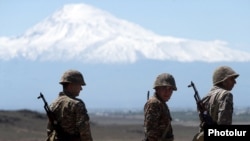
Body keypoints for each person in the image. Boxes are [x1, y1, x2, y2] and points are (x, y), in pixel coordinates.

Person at [193, 65, 239, 141]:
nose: (235, 82)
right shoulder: (226, 95)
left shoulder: (205, 98)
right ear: (224, 81)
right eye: (231, 78)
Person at [46, 69, 93, 141]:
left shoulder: (53, 104)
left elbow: (49, 130)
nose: (81, 89)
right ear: (71, 85)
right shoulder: (77, 105)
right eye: (79, 85)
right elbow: (85, 132)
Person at [143, 73, 177, 141]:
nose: (167, 92)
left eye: (170, 89)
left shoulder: (161, 103)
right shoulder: (154, 103)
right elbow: (151, 134)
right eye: (164, 88)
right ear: (157, 89)